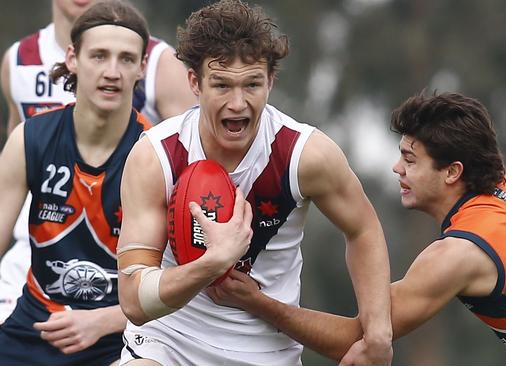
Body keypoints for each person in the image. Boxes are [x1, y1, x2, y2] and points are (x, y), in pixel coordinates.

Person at [214, 92, 506, 366]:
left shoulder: (458, 255)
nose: (396, 168)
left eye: (410, 159)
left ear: (451, 172)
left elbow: (358, 338)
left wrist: (260, 303)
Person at [116, 1, 393, 365]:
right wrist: (212, 263)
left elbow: (363, 229)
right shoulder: (156, 156)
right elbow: (134, 300)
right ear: (194, 83)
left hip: (266, 350)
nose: (237, 103)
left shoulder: (304, 154)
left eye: (252, 84)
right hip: (168, 341)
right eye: (221, 85)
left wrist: (378, 333)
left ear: (271, 82)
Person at [0, 0, 197, 323]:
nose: (111, 72)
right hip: (32, 264)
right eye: (99, 56)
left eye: (126, 60)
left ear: (140, 65)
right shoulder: (19, 62)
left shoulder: (160, 72)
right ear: (72, 58)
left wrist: (107, 320)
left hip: (124, 281)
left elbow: (195, 161)